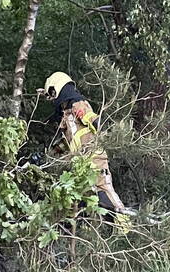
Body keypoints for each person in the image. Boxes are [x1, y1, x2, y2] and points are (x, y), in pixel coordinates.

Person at [39, 71, 133, 216]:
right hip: (80, 164)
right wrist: (51, 154)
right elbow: (68, 141)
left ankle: (125, 228)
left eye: (52, 93)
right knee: (83, 200)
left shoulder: (78, 105)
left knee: (105, 193)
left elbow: (93, 120)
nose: (52, 99)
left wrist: (109, 132)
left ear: (59, 88)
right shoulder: (67, 116)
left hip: (94, 158)